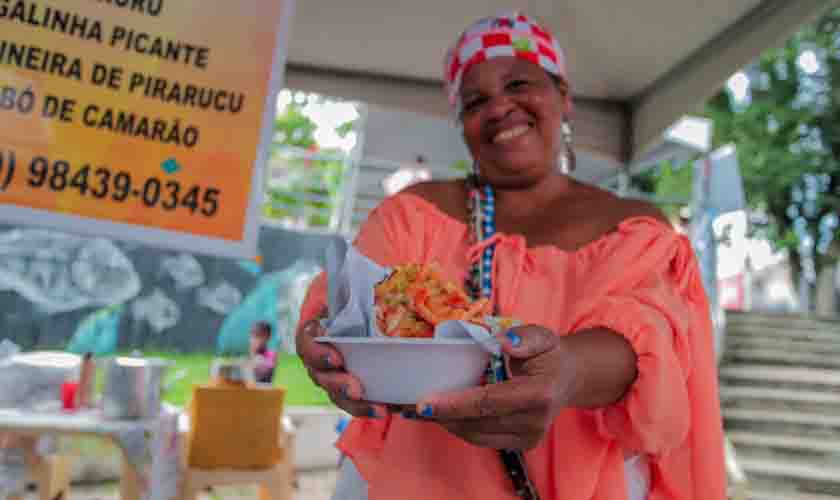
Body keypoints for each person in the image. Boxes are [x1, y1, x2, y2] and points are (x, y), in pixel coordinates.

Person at [296, 10, 726, 500]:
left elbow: (649, 341)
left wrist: (568, 372)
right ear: (463, 126)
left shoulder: (635, 225)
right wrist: (322, 336)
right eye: (476, 100)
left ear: (563, 98)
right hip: (419, 480)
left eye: (519, 84)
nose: (499, 107)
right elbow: (350, 297)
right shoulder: (413, 215)